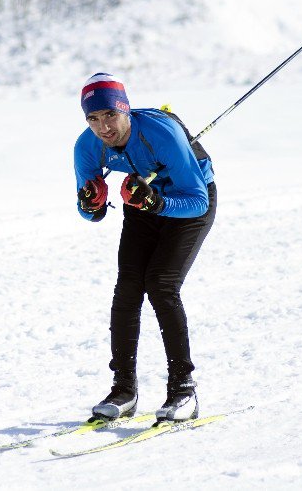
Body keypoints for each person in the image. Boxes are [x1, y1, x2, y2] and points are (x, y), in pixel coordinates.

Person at [73, 73, 216, 422]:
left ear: (125, 110)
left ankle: (184, 392)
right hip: (142, 203)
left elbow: (197, 201)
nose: (103, 126)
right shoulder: (87, 146)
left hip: (187, 203)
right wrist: (91, 204)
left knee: (162, 285)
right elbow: (87, 212)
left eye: (110, 115)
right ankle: (124, 391)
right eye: (93, 118)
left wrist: (157, 203)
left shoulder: (160, 134)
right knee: (128, 288)